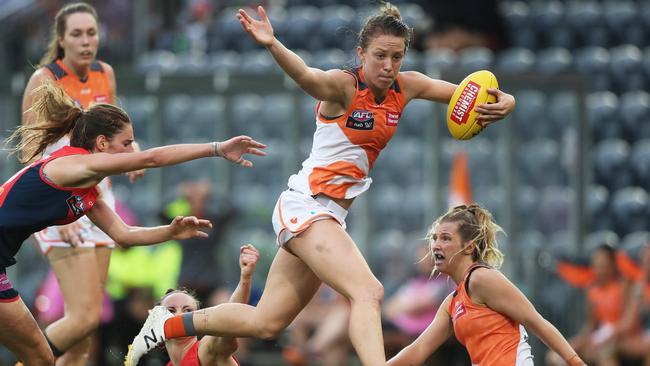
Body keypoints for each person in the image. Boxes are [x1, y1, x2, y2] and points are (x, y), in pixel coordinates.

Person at [126, 3, 515, 365]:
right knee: (369, 292)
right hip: (307, 207)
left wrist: (506, 101)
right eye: (380, 55)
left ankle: (168, 325)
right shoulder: (343, 87)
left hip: (325, 215)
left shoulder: (407, 86)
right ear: (361, 54)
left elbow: (468, 95)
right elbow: (306, 75)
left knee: (266, 322)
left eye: (397, 56)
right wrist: (273, 43)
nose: (389, 64)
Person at [0, 81, 265, 365]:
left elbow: (123, 234)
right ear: (101, 143)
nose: (131, 151)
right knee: (42, 357)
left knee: (40, 358)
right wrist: (216, 148)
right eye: (126, 143)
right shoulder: (77, 165)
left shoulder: (87, 187)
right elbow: (151, 158)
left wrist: (172, 231)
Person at [21, 3, 143, 364]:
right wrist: (59, 214)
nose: (86, 41)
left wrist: (131, 150)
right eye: (76, 34)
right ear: (62, 39)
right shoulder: (45, 80)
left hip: (98, 200)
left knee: (86, 334)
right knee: (84, 317)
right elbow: (31, 155)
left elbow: (114, 132)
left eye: (91, 32)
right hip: (59, 201)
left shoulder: (106, 72)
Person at [386, 204, 585, 366]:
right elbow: (418, 350)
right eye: (434, 238)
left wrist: (575, 362)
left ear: (469, 246)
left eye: (445, 238)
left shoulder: (481, 278)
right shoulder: (452, 302)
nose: (436, 245)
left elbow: (537, 322)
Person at [158, 244, 259, 366]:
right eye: (171, 310)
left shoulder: (206, 350)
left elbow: (230, 320)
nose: (179, 315)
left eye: (187, 311)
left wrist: (245, 278)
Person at [546, 244, 629, 366]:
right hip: (599, 337)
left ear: (612, 264)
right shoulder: (592, 289)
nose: (600, 268)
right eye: (597, 264)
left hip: (621, 337)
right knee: (554, 357)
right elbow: (591, 324)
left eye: (603, 264)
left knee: (604, 356)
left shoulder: (622, 286)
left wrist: (605, 338)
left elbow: (628, 323)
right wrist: (577, 342)